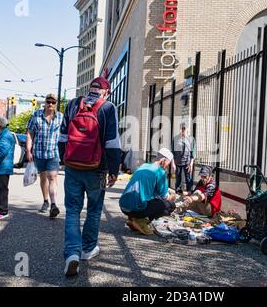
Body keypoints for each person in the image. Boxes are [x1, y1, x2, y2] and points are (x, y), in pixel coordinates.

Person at [60, 74, 121, 277]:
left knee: (72, 211)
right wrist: (114, 170)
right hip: (97, 168)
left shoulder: (72, 105)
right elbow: (112, 143)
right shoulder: (107, 107)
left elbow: (62, 136)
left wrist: (64, 159)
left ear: (90, 88)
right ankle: (87, 249)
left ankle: (71, 254)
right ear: (105, 91)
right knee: (94, 210)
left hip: (72, 166)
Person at [119, 148, 177, 235]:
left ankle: (132, 218)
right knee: (170, 205)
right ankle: (140, 220)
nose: (168, 166)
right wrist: (173, 196)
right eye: (168, 163)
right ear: (164, 160)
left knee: (150, 200)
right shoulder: (160, 172)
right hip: (136, 208)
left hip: (123, 206)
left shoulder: (144, 166)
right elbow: (164, 196)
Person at [26, 93, 63, 218]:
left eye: (53, 102)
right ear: (45, 102)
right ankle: (45, 201)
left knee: (52, 177)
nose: (50, 104)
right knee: (43, 177)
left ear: (56, 103)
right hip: (39, 152)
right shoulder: (36, 115)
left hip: (53, 153)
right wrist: (28, 150)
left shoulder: (60, 117)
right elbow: (30, 133)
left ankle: (54, 204)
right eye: (48, 101)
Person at [172, 122, 196, 193]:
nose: (183, 130)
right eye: (182, 128)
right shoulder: (176, 139)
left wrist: (191, 163)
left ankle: (189, 192)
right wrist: (173, 163)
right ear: (180, 129)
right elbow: (172, 151)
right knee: (178, 179)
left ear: (187, 129)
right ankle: (178, 192)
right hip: (178, 162)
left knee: (188, 179)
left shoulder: (191, 139)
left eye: (184, 128)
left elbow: (193, 152)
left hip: (187, 162)